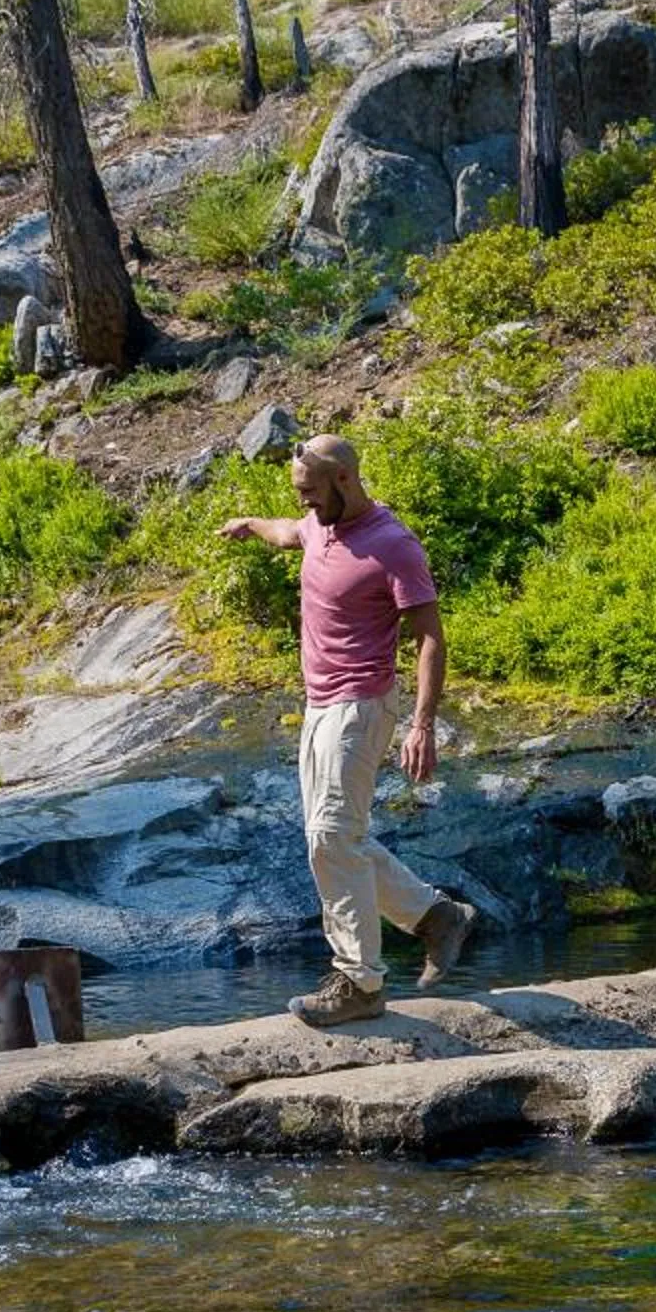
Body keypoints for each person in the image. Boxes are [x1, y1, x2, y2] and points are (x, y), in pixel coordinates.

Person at [220, 434, 480, 1025]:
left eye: (311, 493)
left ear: (343, 480)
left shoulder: (393, 546)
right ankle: (438, 918)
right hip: (317, 706)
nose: (305, 505)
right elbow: (289, 531)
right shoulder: (319, 525)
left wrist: (422, 722)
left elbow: (431, 637)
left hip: (363, 705)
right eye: (299, 495)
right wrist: (251, 524)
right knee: (340, 837)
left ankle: (359, 982)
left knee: (331, 837)